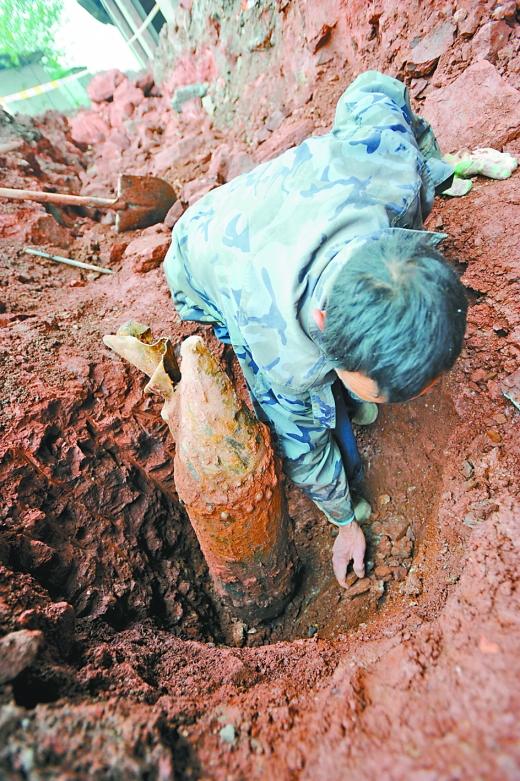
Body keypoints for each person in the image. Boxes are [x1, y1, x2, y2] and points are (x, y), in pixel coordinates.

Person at [163, 70, 468, 589]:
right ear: (323, 329)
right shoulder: (283, 352)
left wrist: (430, 157)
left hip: (283, 195)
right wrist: (344, 521)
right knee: (297, 396)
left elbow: (372, 89)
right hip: (204, 242)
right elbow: (301, 442)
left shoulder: (396, 171)